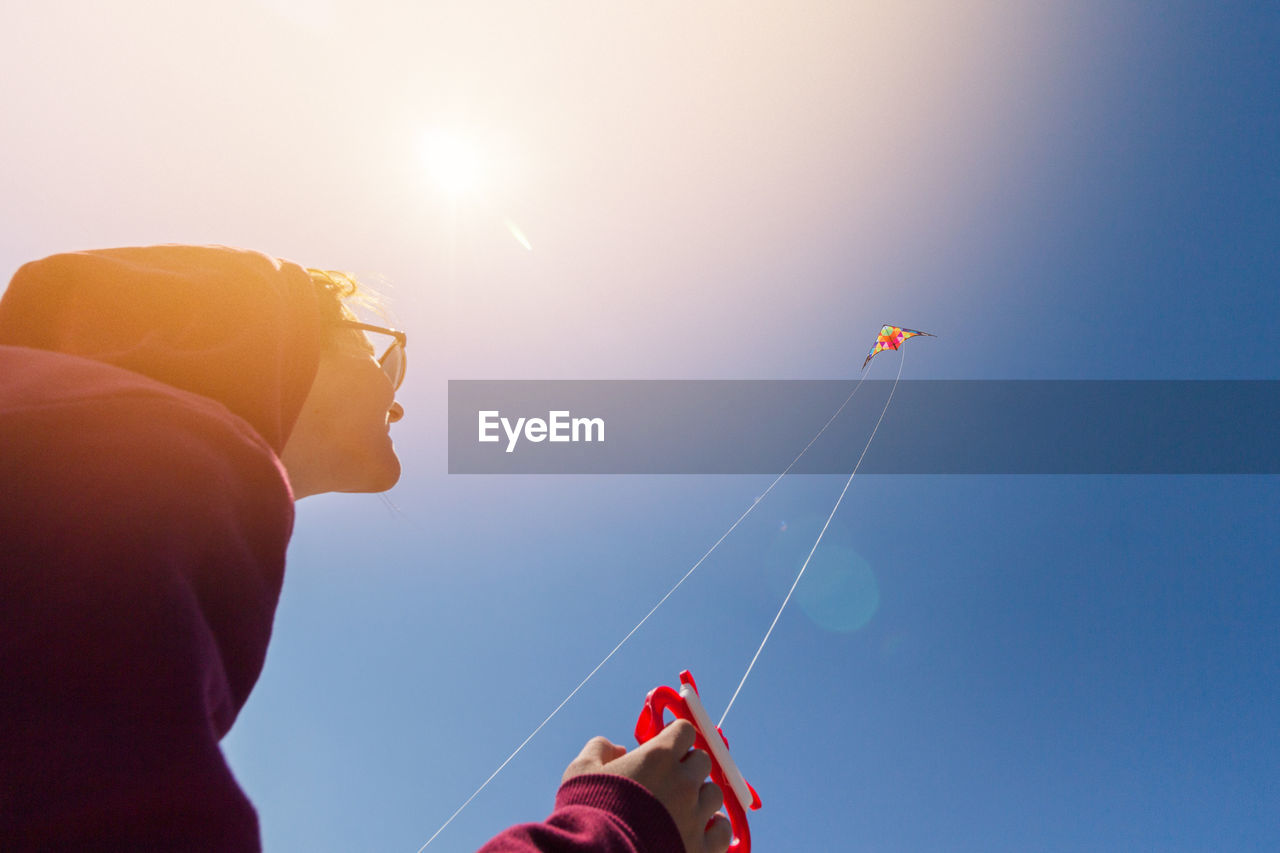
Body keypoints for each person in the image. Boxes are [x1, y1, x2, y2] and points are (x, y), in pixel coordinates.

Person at [0, 245, 730, 852]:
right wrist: (618, 828)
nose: (400, 396)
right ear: (273, 334)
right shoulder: (103, 488)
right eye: (381, 353)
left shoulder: (93, 479)